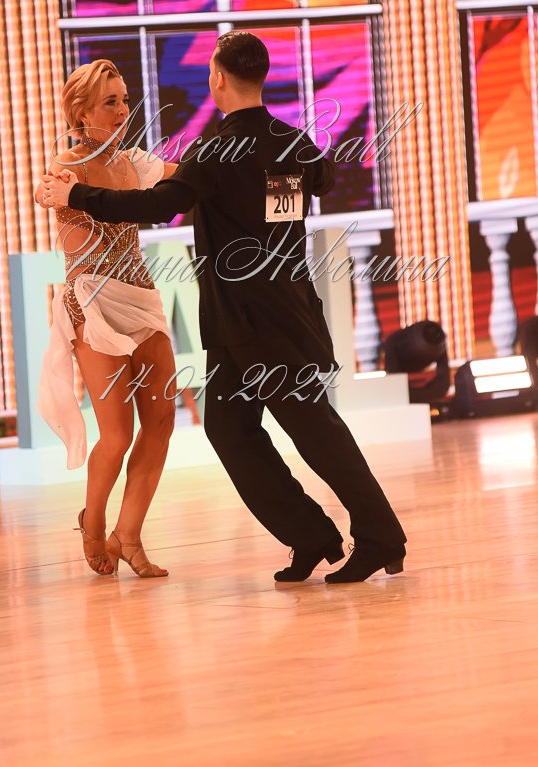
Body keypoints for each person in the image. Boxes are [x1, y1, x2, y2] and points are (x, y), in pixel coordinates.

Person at [40, 33, 407, 584]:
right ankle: (310, 535)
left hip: (257, 323)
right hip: (267, 317)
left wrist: (76, 196)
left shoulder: (215, 152)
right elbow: (324, 179)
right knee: (231, 432)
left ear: (217, 79)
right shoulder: (292, 142)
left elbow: (158, 205)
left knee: (316, 432)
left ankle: (381, 537)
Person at [35, 59, 179, 578]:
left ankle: (129, 535)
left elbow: (192, 177)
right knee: (116, 434)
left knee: (161, 423)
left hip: (141, 299)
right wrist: (48, 188)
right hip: (92, 305)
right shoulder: (67, 165)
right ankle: (92, 523)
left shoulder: (134, 163)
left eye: (124, 100)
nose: (122, 110)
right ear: (81, 112)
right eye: (110, 102)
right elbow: (46, 191)